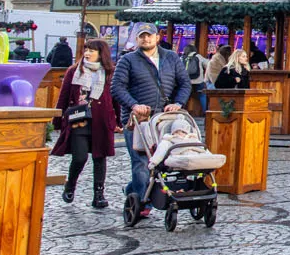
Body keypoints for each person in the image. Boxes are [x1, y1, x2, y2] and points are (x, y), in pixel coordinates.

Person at [111, 22, 191, 218]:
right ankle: (141, 202)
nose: (146, 39)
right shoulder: (127, 60)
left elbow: (184, 84)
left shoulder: (171, 57)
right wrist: (133, 104)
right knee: (141, 163)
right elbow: (117, 87)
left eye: (149, 35)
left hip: (163, 119)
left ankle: (133, 189)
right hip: (137, 119)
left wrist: (178, 103)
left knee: (162, 162)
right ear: (137, 39)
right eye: (142, 36)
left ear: (157, 37)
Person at [51, 39, 117, 209]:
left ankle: (99, 195)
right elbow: (64, 97)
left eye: (92, 50)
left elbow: (115, 97)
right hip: (78, 120)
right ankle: (70, 185)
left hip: (102, 120)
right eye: (86, 49)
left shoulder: (110, 72)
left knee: (99, 157)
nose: (87, 53)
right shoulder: (74, 71)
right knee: (80, 157)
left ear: (101, 53)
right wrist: (57, 121)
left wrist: (120, 120)